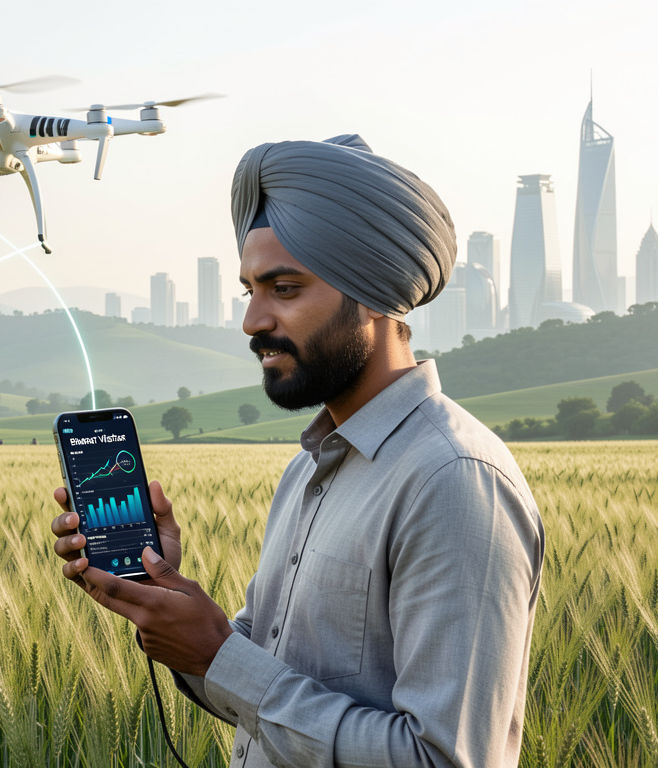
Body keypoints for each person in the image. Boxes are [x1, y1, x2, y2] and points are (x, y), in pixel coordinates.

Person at [50, 135, 545, 767]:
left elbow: (444, 759)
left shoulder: (452, 479)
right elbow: (261, 684)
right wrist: (166, 596)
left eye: (284, 288)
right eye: (248, 290)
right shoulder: (309, 468)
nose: (253, 320)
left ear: (373, 292)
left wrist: (217, 655)